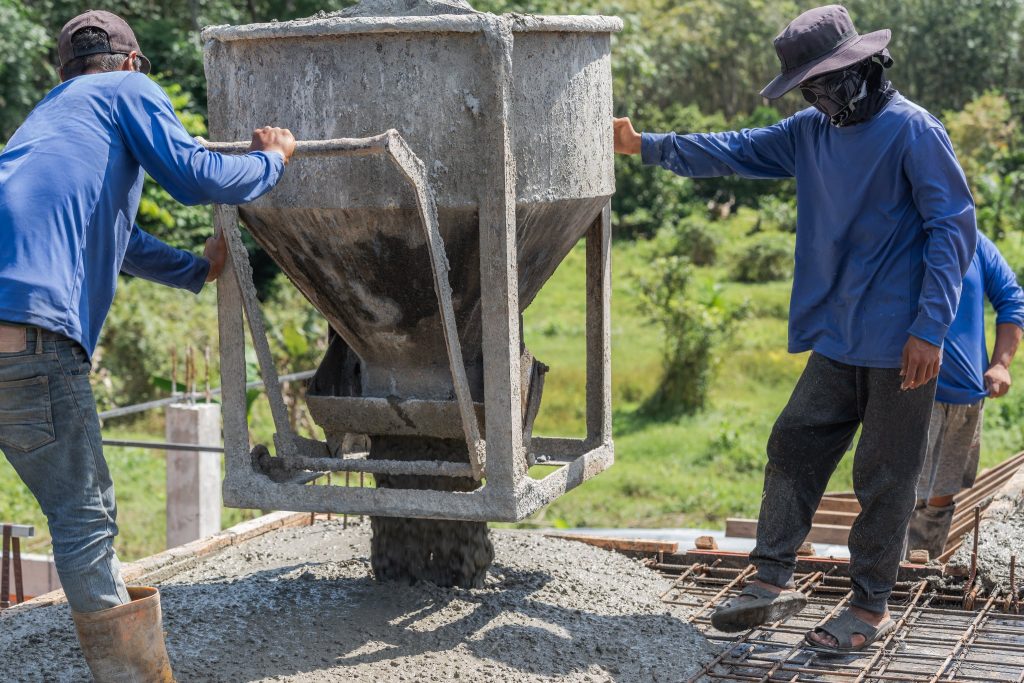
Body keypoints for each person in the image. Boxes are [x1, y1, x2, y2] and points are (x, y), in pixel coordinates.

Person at [614, 5, 976, 652]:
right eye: (809, 89)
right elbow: (734, 149)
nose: (818, 98)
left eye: (826, 84)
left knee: (884, 475)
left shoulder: (913, 131)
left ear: (865, 69)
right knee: (793, 443)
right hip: (839, 334)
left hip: (902, 344)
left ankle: (868, 607)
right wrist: (646, 145)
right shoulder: (811, 133)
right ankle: (771, 576)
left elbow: (953, 226)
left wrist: (931, 327)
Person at [0, 10, 296, 680]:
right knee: (84, 517)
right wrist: (269, 160)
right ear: (132, 64)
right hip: (32, 340)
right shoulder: (127, 92)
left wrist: (196, 269)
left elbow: (119, 237)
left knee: (80, 510)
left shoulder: (47, 120)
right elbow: (195, 176)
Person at [906, 234, 1024, 560]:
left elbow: (1012, 300)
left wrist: (1001, 364)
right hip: (911, 389)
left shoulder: (976, 243)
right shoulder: (900, 231)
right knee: (904, 490)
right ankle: (885, 581)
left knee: (941, 494)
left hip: (966, 395)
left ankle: (919, 571)